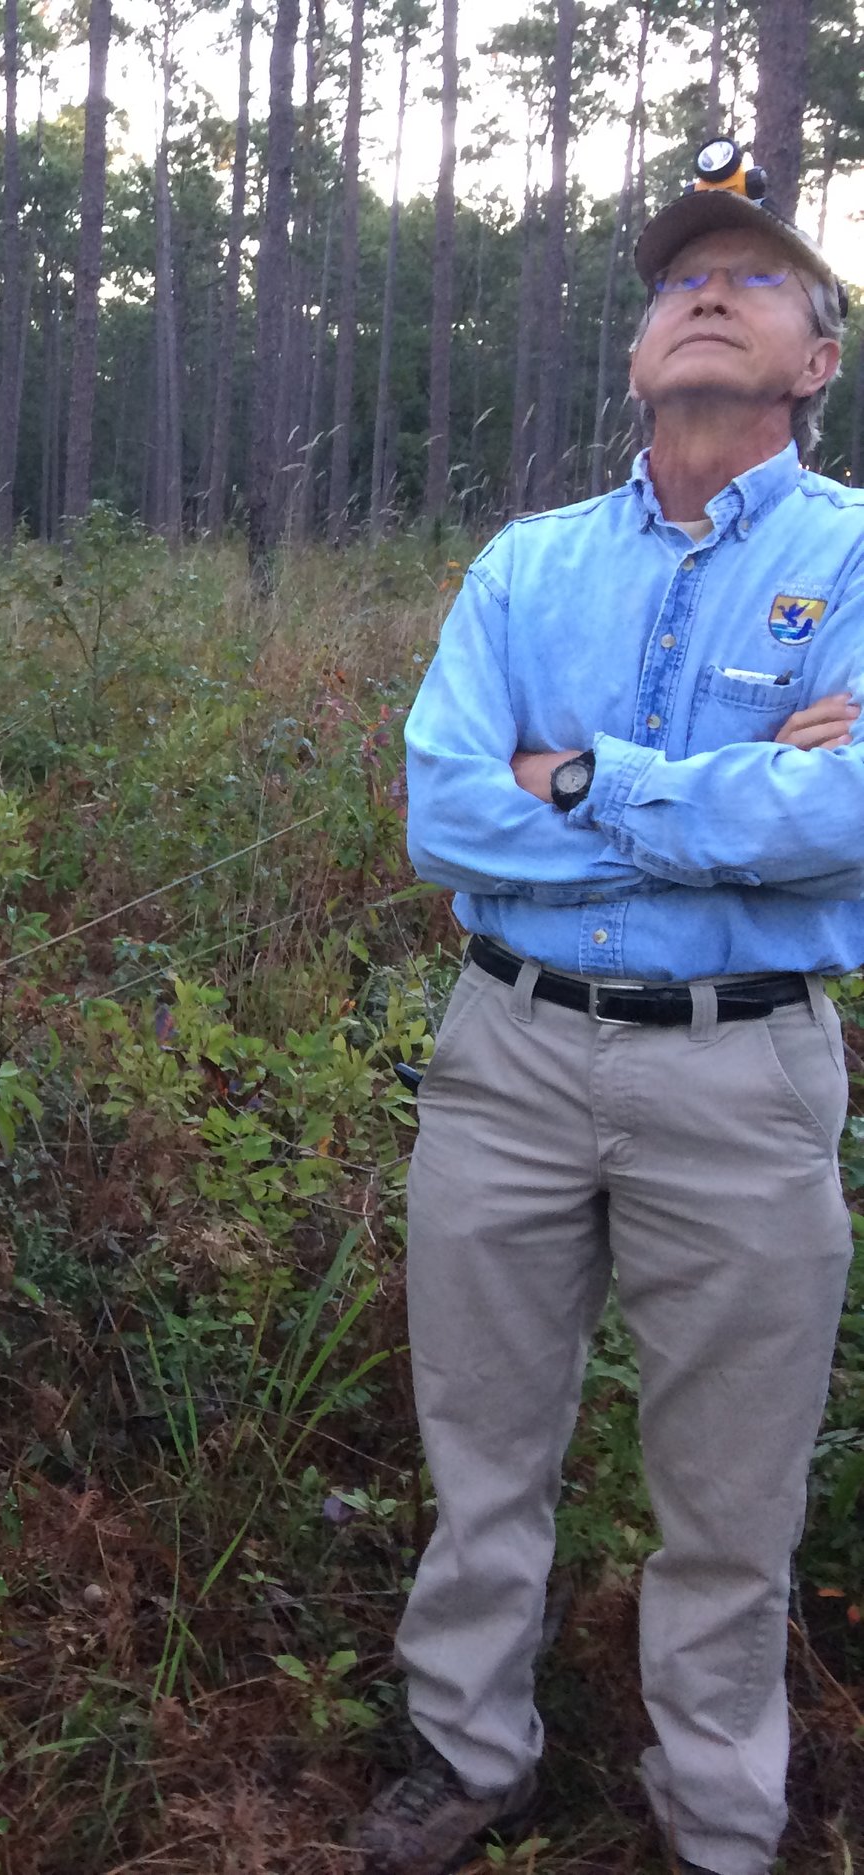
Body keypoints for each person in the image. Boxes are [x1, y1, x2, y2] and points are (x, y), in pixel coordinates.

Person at [362, 145, 862, 1875]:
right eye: (674, 282)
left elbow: (852, 818)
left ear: (819, 358)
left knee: (733, 1489)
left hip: (742, 1070)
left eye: (755, 277)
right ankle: (468, 1746)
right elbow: (444, 811)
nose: (704, 293)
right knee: (482, 1440)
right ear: (640, 349)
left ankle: (721, 1819)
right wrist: (727, 794)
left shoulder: (859, 557)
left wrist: (577, 775)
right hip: (504, 1054)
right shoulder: (523, 567)